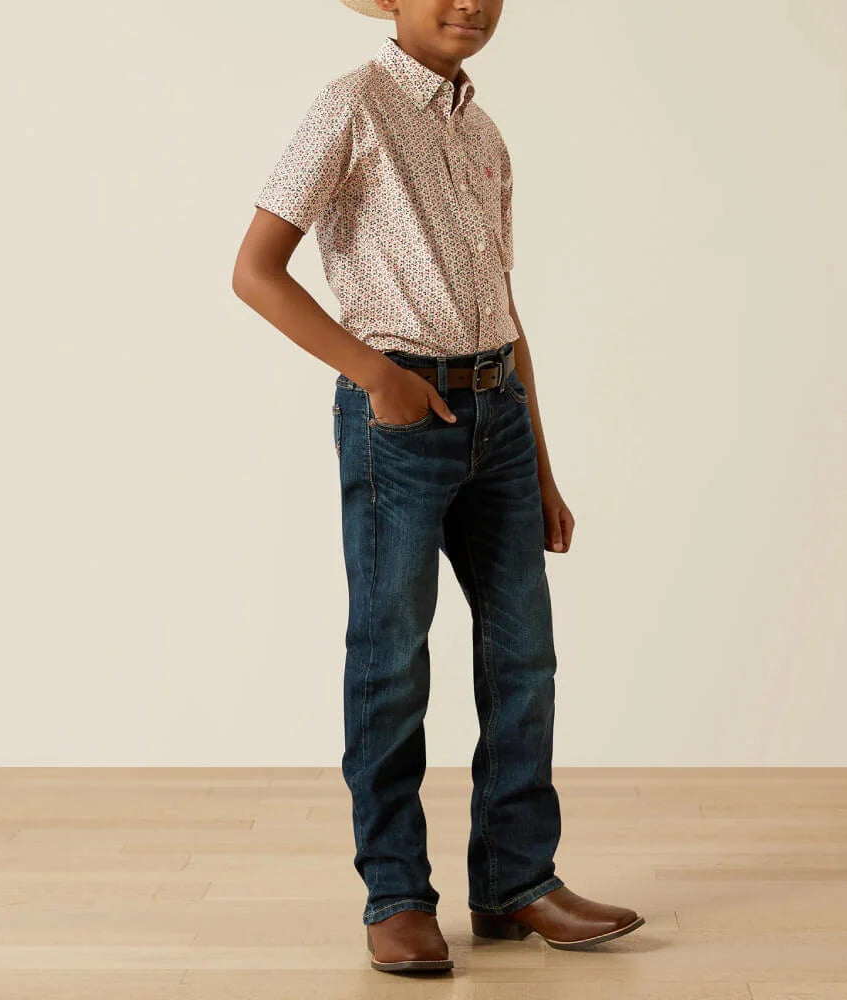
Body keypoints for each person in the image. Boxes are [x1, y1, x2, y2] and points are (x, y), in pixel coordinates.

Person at [232, 0, 645, 974]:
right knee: (391, 661)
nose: (469, 2)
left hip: (499, 417)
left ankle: (516, 881)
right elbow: (255, 271)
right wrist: (377, 377)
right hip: (401, 424)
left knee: (523, 660)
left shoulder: (484, 131)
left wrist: (540, 466)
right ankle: (396, 894)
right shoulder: (351, 105)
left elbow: (504, 304)